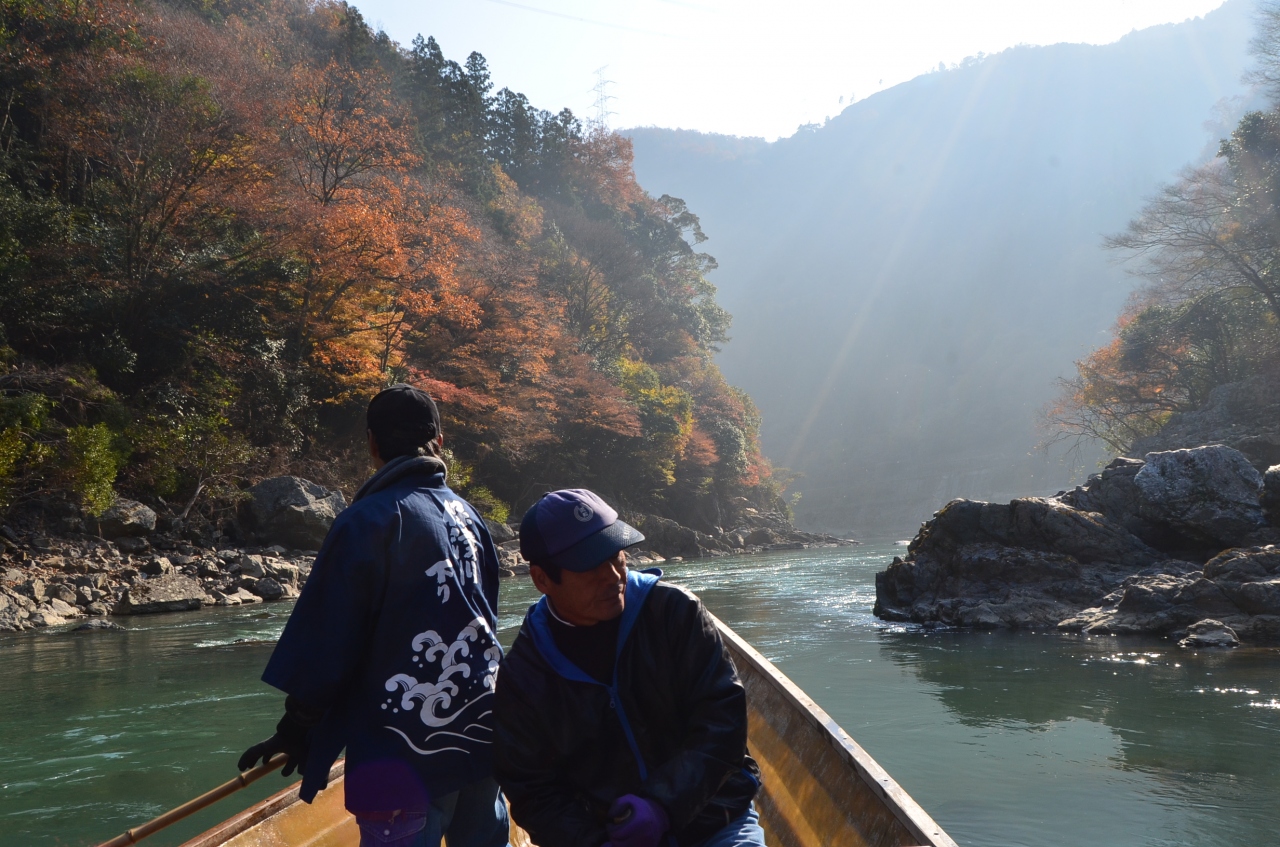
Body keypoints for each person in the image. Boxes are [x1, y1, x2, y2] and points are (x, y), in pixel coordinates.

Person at [238, 384, 509, 847]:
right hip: (483, 734)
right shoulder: (469, 517)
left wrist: (296, 730)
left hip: (399, 753)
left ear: (372, 444)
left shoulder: (366, 521)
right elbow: (486, 619)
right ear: (439, 442)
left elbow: (327, 641)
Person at [493, 489, 765, 847]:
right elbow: (534, 791)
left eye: (616, 556)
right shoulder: (524, 676)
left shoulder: (675, 613)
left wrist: (662, 805)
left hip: (714, 820)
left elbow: (722, 724)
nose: (611, 575)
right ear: (542, 579)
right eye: (589, 565)